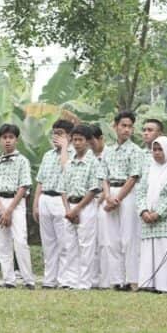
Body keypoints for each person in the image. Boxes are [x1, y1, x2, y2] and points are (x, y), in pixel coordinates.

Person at [0, 123, 36, 289]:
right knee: (2, 242)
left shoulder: (22, 161)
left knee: (20, 241)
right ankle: (8, 279)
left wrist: (9, 210)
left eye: (11, 137)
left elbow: (24, 186)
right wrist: (1, 209)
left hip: (16, 202)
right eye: (4, 138)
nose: (7, 141)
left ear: (16, 140)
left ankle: (28, 280)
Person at [137, 136, 167, 294]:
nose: (157, 153)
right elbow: (140, 191)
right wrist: (144, 211)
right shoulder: (149, 168)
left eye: (160, 150)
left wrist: (158, 213)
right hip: (147, 219)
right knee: (149, 251)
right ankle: (147, 284)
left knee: (164, 248)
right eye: (154, 150)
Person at [102, 110, 144, 291]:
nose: (126, 130)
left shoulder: (136, 151)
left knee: (128, 238)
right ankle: (116, 280)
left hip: (127, 193)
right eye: (123, 126)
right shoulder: (108, 151)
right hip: (110, 191)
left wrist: (117, 198)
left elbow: (133, 177)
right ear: (115, 126)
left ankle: (131, 279)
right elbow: (103, 176)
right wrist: (107, 196)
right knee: (112, 239)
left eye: (130, 126)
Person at [33, 119, 73, 288]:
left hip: (61, 199)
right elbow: (40, 181)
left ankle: (64, 280)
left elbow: (67, 169)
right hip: (45, 199)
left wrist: (64, 147)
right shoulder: (47, 155)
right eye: (55, 133)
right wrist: (35, 203)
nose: (56, 137)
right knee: (48, 243)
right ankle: (50, 280)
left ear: (69, 137)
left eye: (60, 134)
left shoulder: (72, 154)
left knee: (64, 243)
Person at [60, 124, 101, 290]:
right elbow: (63, 188)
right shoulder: (69, 163)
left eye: (80, 140)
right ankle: (71, 280)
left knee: (86, 245)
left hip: (86, 206)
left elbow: (93, 189)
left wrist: (77, 210)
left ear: (87, 142)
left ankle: (84, 282)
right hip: (70, 206)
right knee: (70, 245)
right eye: (74, 140)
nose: (77, 143)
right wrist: (68, 210)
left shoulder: (93, 162)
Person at [88, 124, 108, 288]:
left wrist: (101, 199)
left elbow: (106, 179)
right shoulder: (87, 158)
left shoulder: (109, 155)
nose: (90, 145)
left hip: (104, 202)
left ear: (101, 139)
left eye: (92, 141)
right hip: (87, 203)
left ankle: (105, 279)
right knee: (90, 243)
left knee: (104, 241)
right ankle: (92, 278)